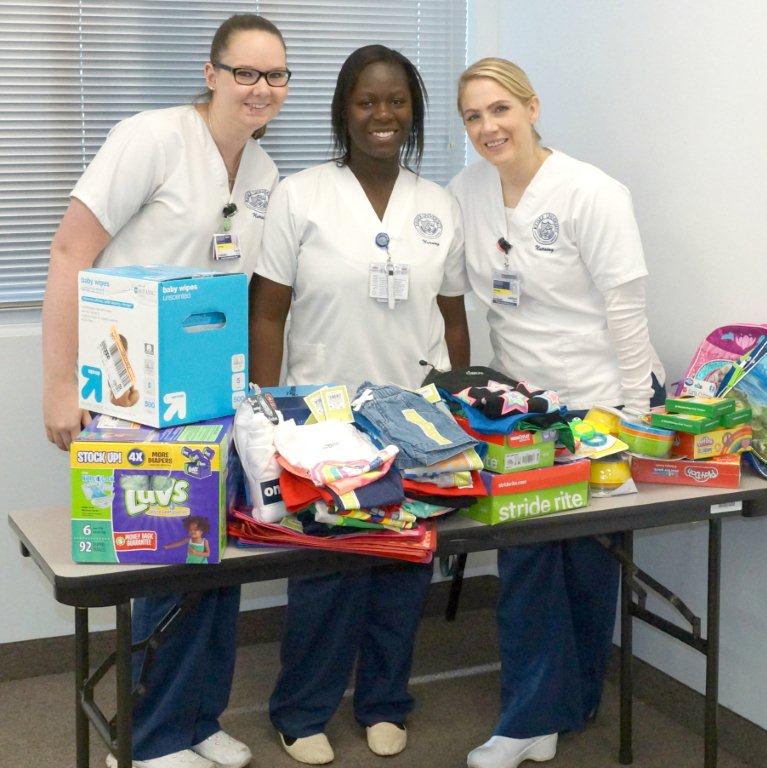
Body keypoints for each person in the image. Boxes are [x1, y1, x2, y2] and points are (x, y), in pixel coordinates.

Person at [41, 14, 289, 768]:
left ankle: (193, 717)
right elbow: (68, 249)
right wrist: (57, 385)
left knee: (210, 560)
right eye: (245, 72)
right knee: (162, 558)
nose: (260, 88)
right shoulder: (148, 139)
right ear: (211, 73)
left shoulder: (263, 174)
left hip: (208, 395)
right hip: (126, 391)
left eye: (275, 75)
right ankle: (145, 743)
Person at [249, 44, 469, 765]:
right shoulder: (300, 194)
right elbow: (268, 312)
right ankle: (301, 711)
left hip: (410, 415)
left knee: (402, 567)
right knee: (324, 574)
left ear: (413, 113)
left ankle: (383, 701)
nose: (382, 114)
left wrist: (455, 410)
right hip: (320, 418)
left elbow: (454, 316)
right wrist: (264, 408)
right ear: (344, 111)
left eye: (396, 101)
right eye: (366, 101)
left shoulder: (437, 206)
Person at [449, 58, 666, 768]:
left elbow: (625, 309)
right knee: (528, 561)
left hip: (596, 401)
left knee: (587, 563)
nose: (487, 127)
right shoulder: (466, 192)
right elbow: (457, 293)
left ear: (531, 107)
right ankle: (528, 718)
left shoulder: (591, 193)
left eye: (499, 110)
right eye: (473, 116)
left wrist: (634, 414)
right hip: (520, 409)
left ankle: (566, 707)